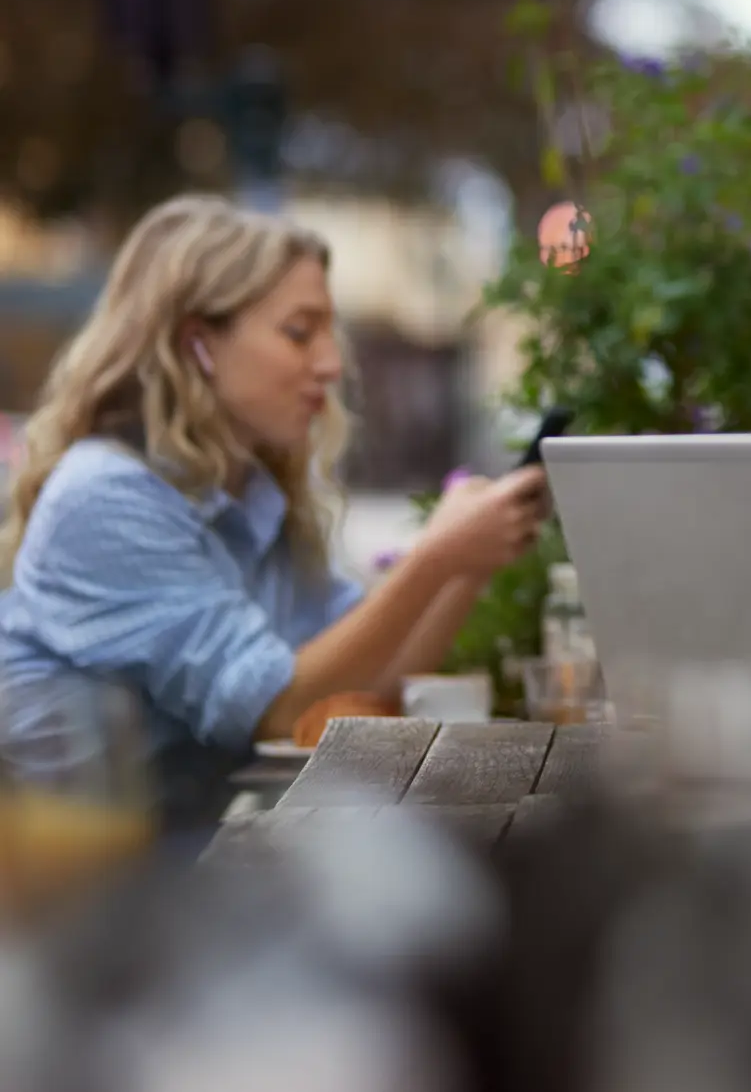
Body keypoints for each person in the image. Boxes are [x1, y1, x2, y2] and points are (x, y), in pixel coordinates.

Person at [0, 196, 548, 828]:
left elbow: (358, 689)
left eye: (328, 333)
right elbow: (279, 707)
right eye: (299, 332)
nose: (331, 364)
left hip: (191, 856)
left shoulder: (255, 497)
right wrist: (434, 556)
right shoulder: (105, 496)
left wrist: (469, 566)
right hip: (79, 889)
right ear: (198, 345)